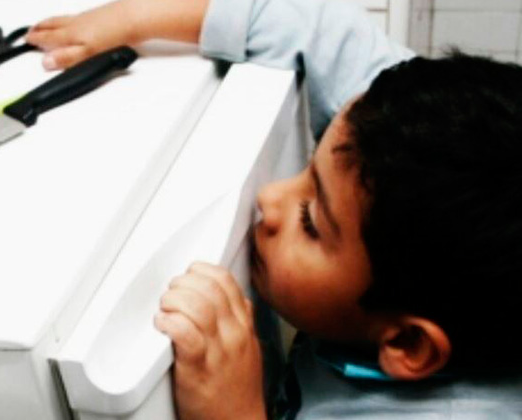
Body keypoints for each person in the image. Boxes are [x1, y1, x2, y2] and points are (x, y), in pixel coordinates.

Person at [27, 0, 522, 419]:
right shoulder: (414, 142)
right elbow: (321, 28)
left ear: (408, 345)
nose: (270, 198)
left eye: (311, 222)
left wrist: (236, 412)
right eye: (309, 166)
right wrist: (136, 18)